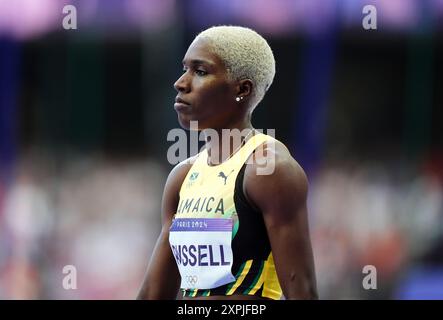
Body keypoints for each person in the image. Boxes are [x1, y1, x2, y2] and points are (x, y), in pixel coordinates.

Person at [137, 26, 317, 300]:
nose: (181, 83)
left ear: (242, 89)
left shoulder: (268, 169)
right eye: (184, 69)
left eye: (200, 71)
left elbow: (302, 292)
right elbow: (153, 293)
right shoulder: (182, 177)